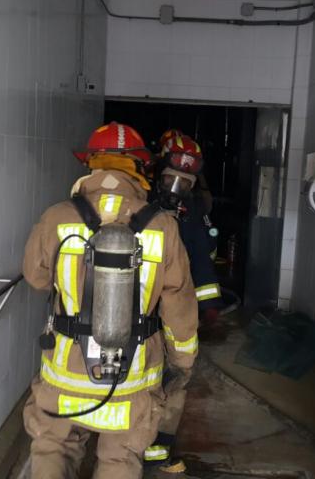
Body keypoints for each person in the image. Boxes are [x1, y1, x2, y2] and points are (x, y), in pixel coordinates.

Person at [21, 121, 199, 478]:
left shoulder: (57, 217)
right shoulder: (162, 226)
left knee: (53, 449)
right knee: (120, 461)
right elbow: (178, 305)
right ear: (139, 168)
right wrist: (183, 360)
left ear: (91, 164)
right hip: (131, 382)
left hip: (64, 377)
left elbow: (36, 278)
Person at [144, 132, 225, 472]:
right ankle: (128, 443)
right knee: (138, 377)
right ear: (156, 172)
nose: (176, 187)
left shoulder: (191, 212)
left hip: (176, 310)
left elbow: (203, 259)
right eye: (170, 179)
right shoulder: (136, 203)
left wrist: (208, 305)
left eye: (185, 182)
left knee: (176, 376)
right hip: (138, 310)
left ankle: (158, 449)